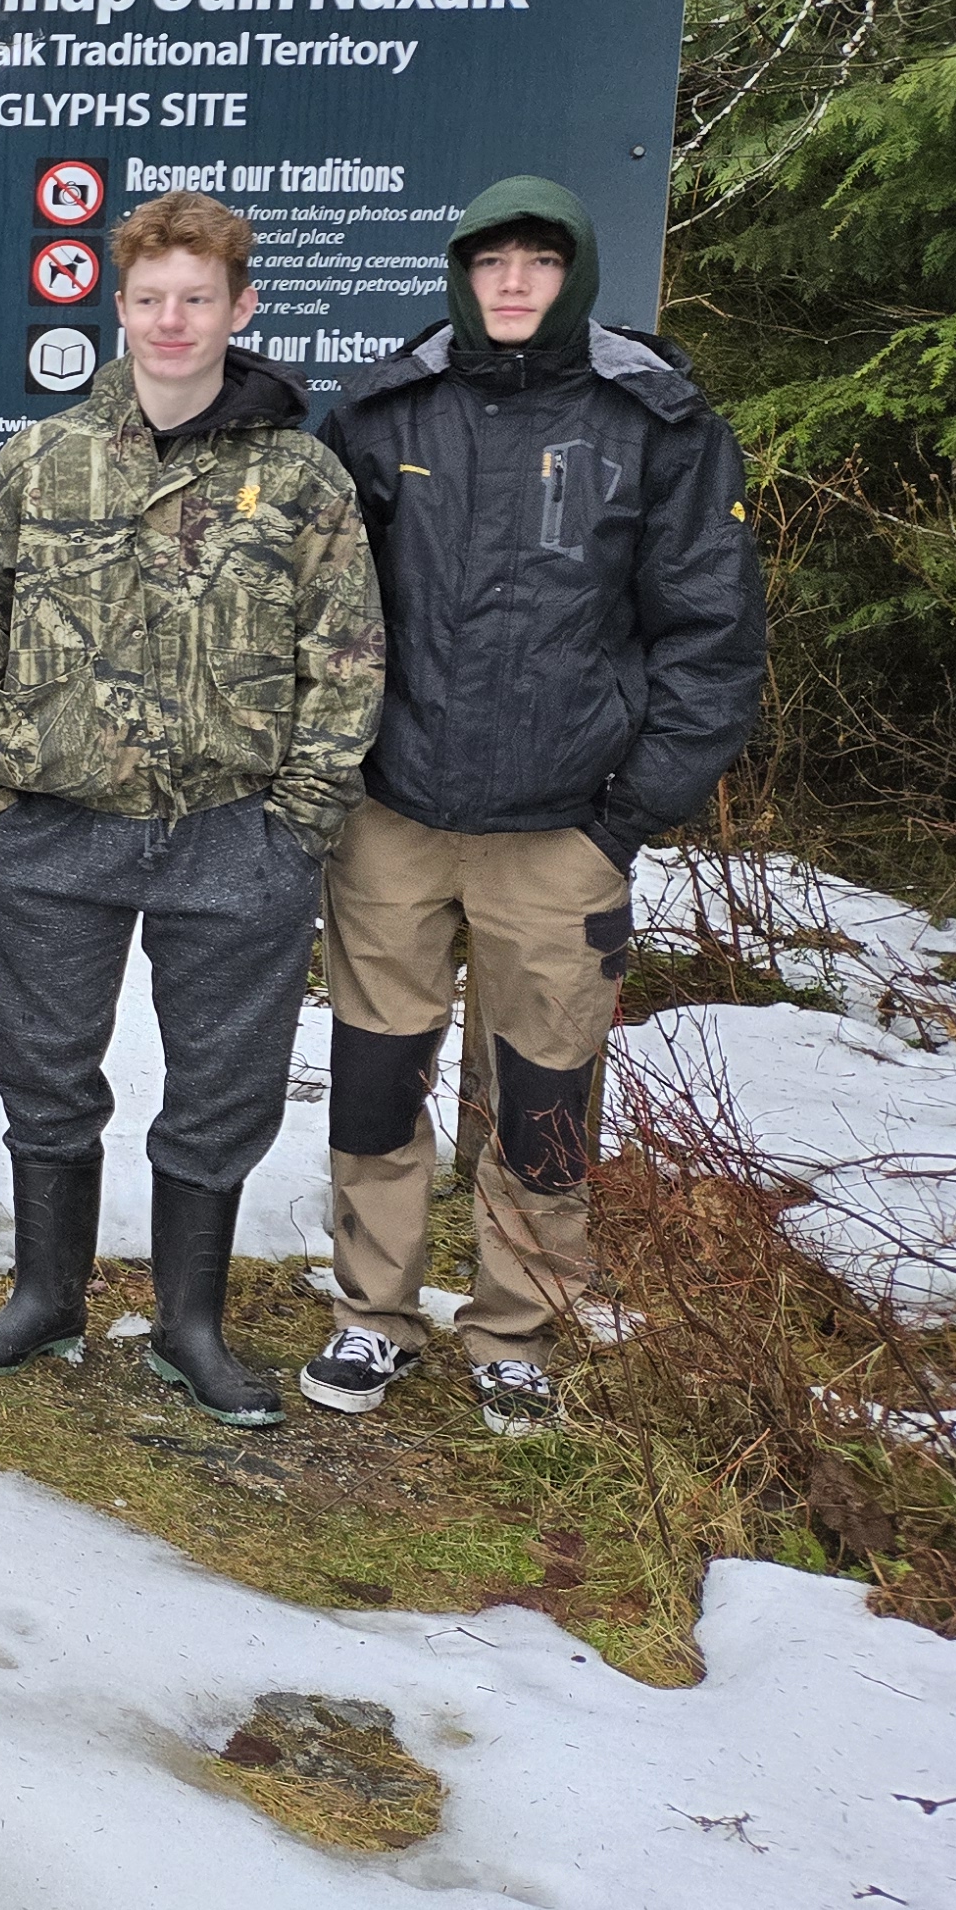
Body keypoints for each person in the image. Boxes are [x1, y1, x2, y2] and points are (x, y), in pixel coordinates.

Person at [303, 177, 763, 1437]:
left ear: (576, 276)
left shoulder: (652, 421)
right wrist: (337, 771)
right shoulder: (384, 410)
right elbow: (320, 607)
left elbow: (710, 631)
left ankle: (516, 1327)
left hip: (562, 828)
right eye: (491, 260)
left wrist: (630, 811)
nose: (513, 282)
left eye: (539, 263)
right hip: (393, 815)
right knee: (375, 1075)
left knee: (544, 1095)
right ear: (459, 272)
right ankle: (371, 1312)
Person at [0, 190, 382, 1425]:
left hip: (232, 838)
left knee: (221, 1088)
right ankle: (47, 1295)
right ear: (116, 309)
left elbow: (345, 654)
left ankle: (189, 1323)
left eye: (197, 300)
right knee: (43, 1072)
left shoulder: (299, 476)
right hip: (50, 832)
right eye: (149, 301)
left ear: (240, 309)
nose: (172, 322)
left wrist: (297, 819)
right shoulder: (41, 460)